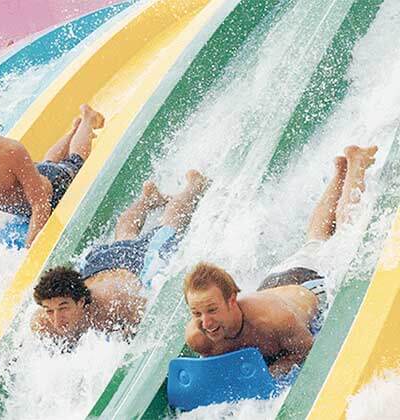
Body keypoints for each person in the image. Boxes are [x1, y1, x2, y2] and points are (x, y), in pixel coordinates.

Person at [184, 145, 378, 377]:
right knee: (314, 240)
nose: (206, 322)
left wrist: (280, 367)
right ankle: (339, 173)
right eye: (197, 313)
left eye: (212, 310)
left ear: (232, 300)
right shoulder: (199, 338)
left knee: (345, 235)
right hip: (274, 283)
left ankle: (357, 164)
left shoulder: (273, 319)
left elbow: (308, 352)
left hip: (307, 283)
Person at [31, 170, 210, 347]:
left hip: (130, 264)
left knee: (169, 228)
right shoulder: (42, 324)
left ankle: (194, 183)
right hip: (96, 264)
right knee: (123, 237)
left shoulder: (112, 302)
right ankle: (147, 199)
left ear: (82, 302)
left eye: (63, 308)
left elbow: (148, 316)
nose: (56, 319)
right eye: (49, 310)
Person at [0, 95, 103, 247]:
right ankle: (74, 131)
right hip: (35, 180)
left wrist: (29, 249)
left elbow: (40, 203)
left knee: (73, 163)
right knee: (49, 163)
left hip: (55, 189)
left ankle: (87, 119)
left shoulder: (9, 151)